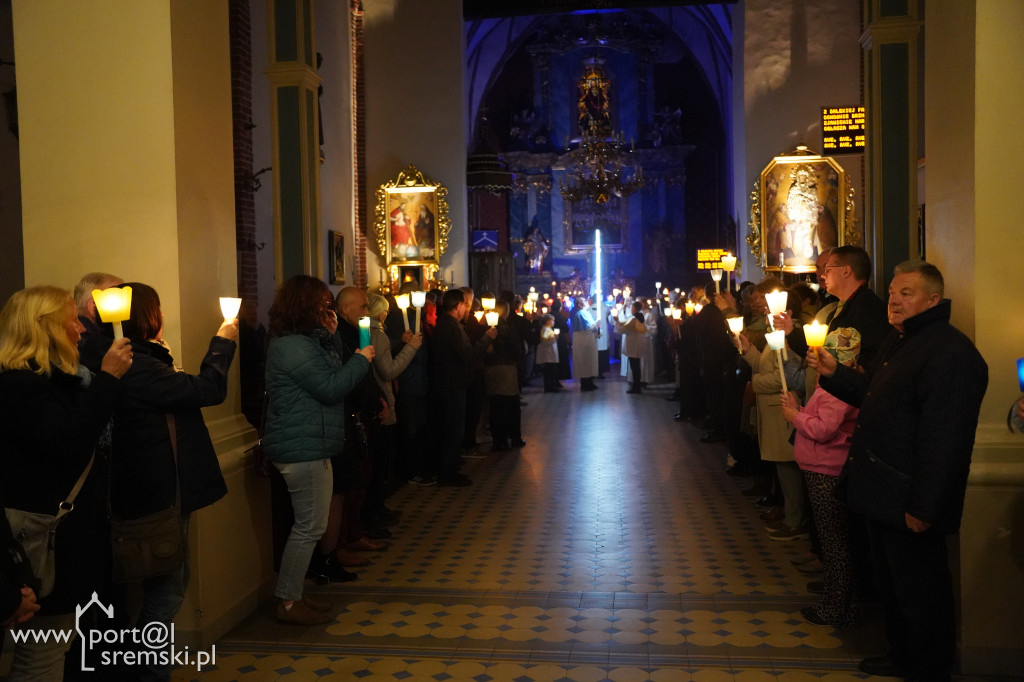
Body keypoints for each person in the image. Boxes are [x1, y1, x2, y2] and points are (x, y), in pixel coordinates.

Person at [808, 260, 988, 682]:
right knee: (892, 586)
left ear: (932, 299)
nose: (893, 301)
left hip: (909, 497)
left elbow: (944, 441)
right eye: (891, 292)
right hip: (881, 490)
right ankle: (901, 654)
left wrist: (924, 506)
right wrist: (835, 376)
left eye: (906, 293)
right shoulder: (900, 340)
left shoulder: (950, 353)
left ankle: (928, 667)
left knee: (920, 592)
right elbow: (875, 396)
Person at [101, 282, 237, 681]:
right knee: (166, 591)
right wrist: (223, 342)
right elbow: (206, 390)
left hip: (158, 490)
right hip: (156, 495)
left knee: (166, 586)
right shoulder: (137, 366)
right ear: (148, 316)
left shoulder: (141, 359)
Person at [0, 285, 132, 680]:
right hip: (41, 542)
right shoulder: (22, 387)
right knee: (41, 660)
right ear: (47, 327)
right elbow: (68, 444)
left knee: (52, 651)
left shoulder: (50, 382)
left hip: (60, 540)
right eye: (72, 320)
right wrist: (107, 379)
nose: (81, 329)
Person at [263, 276, 374, 625]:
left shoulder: (305, 342)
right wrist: (362, 359)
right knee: (309, 526)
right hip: (302, 447)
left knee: (310, 524)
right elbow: (331, 386)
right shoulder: (292, 346)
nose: (328, 309)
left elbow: (332, 369)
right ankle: (288, 602)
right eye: (323, 303)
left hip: (311, 441)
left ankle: (293, 596)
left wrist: (332, 339)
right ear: (305, 305)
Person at [780, 335, 861, 628]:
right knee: (830, 540)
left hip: (828, 469)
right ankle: (836, 599)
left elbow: (825, 429)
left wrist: (794, 416)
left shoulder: (840, 389)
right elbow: (817, 418)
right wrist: (799, 408)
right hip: (818, 466)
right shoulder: (831, 385)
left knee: (835, 543)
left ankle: (838, 607)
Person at [429, 289, 496, 487]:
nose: (466, 308)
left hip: (448, 382)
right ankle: (447, 472)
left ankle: (449, 467)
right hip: (452, 384)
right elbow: (467, 355)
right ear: (458, 305)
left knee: (451, 427)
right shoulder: (452, 327)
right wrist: (487, 338)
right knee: (453, 429)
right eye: (465, 305)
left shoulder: (445, 324)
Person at [484, 300, 524, 451]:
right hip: (506, 367)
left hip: (492, 367)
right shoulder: (507, 326)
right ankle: (514, 437)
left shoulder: (487, 325)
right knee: (511, 403)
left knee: (496, 405)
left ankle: (498, 440)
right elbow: (515, 346)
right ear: (505, 311)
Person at [616, 301, 647, 394]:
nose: (631, 309)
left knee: (635, 367)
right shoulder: (640, 318)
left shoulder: (634, 320)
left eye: (632, 308)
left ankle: (636, 387)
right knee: (636, 366)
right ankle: (636, 386)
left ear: (635, 309)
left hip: (633, 345)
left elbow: (623, 329)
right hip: (637, 344)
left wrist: (616, 320)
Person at [571, 296, 599, 391]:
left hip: (588, 341)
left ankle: (589, 382)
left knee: (588, 362)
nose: (587, 302)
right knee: (585, 362)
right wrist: (596, 323)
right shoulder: (581, 313)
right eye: (584, 301)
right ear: (580, 304)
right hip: (584, 342)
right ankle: (585, 383)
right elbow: (587, 328)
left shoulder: (585, 313)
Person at [536, 314, 560, 392]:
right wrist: (554, 338)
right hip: (548, 354)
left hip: (550, 353)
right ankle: (549, 386)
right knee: (549, 371)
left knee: (551, 371)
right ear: (547, 321)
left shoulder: (548, 329)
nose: (553, 322)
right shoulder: (546, 329)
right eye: (552, 320)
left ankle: (550, 386)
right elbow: (545, 341)